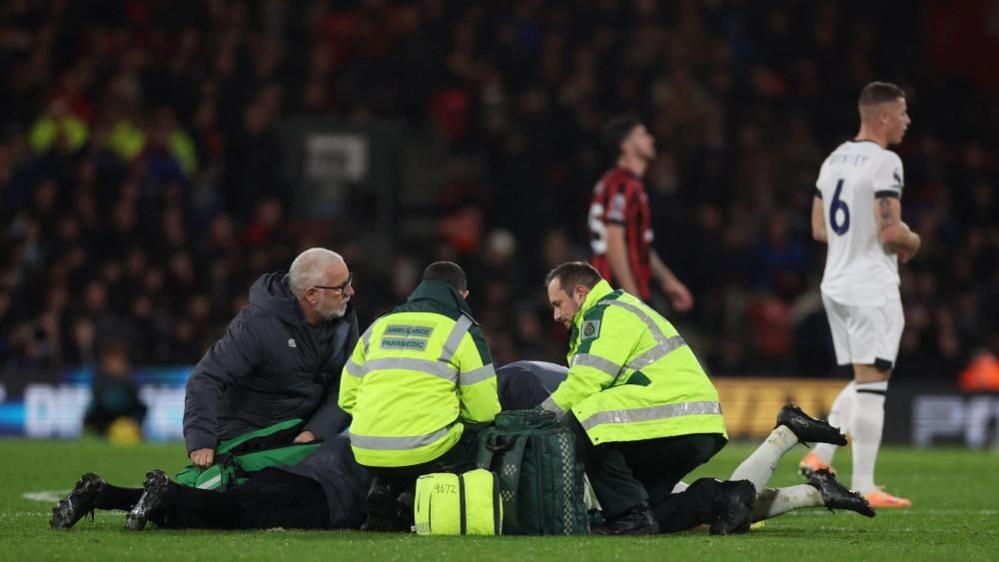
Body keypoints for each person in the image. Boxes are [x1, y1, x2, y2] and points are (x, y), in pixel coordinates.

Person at [540, 262, 776, 534]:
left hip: (671, 417)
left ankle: (631, 516)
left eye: (558, 304)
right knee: (649, 509)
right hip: (695, 422)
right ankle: (722, 498)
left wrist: (539, 415)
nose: (556, 315)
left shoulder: (604, 313)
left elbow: (586, 381)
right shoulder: (620, 308)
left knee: (582, 419)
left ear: (580, 293)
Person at [498, 360, 873, 529]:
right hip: (623, 437)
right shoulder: (527, 375)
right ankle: (810, 483)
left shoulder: (513, 392)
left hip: (612, 455)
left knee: (716, 506)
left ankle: (790, 446)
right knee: (720, 504)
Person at [799, 82, 920, 509]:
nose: (907, 120)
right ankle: (865, 484)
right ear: (884, 116)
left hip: (836, 282)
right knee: (873, 385)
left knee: (865, 379)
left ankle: (820, 455)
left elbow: (818, 228)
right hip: (870, 285)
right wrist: (913, 241)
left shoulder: (834, 159)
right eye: (903, 113)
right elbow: (891, 232)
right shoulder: (886, 161)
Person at [338, 261, 501, 531]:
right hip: (427, 454)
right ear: (463, 295)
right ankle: (416, 496)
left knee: (414, 443)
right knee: (476, 435)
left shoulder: (380, 324)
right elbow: (484, 411)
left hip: (367, 450)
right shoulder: (462, 330)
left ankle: (383, 488)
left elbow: (346, 397)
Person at [183, 247, 358, 472]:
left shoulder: (344, 321)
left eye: (349, 281)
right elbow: (206, 378)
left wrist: (314, 433)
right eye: (341, 287)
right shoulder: (256, 327)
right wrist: (201, 442)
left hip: (298, 440)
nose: (350, 291)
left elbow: (345, 388)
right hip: (247, 440)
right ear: (312, 295)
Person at [49, 435, 369, 531]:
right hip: (322, 499)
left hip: (288, 473)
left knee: (212, 512)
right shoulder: (402, 454)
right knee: (234, 515)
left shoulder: (361, 433)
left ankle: (105, 493)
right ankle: (168, 493)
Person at [587, 116, 693, 310]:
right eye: (642, 134)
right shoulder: (622, 184)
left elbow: (639, 245)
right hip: (615, 294)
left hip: (622, 293)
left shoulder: (627, 184)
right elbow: (614, 239)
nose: (651, 139)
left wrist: (669, 280)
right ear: (625, 146)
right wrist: (632, 298)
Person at [83, 340, 147, 438]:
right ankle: (98, 433)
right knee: (95, 410)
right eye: (112, 359)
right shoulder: (100, 376)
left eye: (117, 359)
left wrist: (123, 378)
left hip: (124, 413)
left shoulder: (126, 376)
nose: (114, 363)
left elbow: (136, 395)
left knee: (142, 408)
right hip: (106, 413)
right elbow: (99, 395)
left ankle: (135, 431)